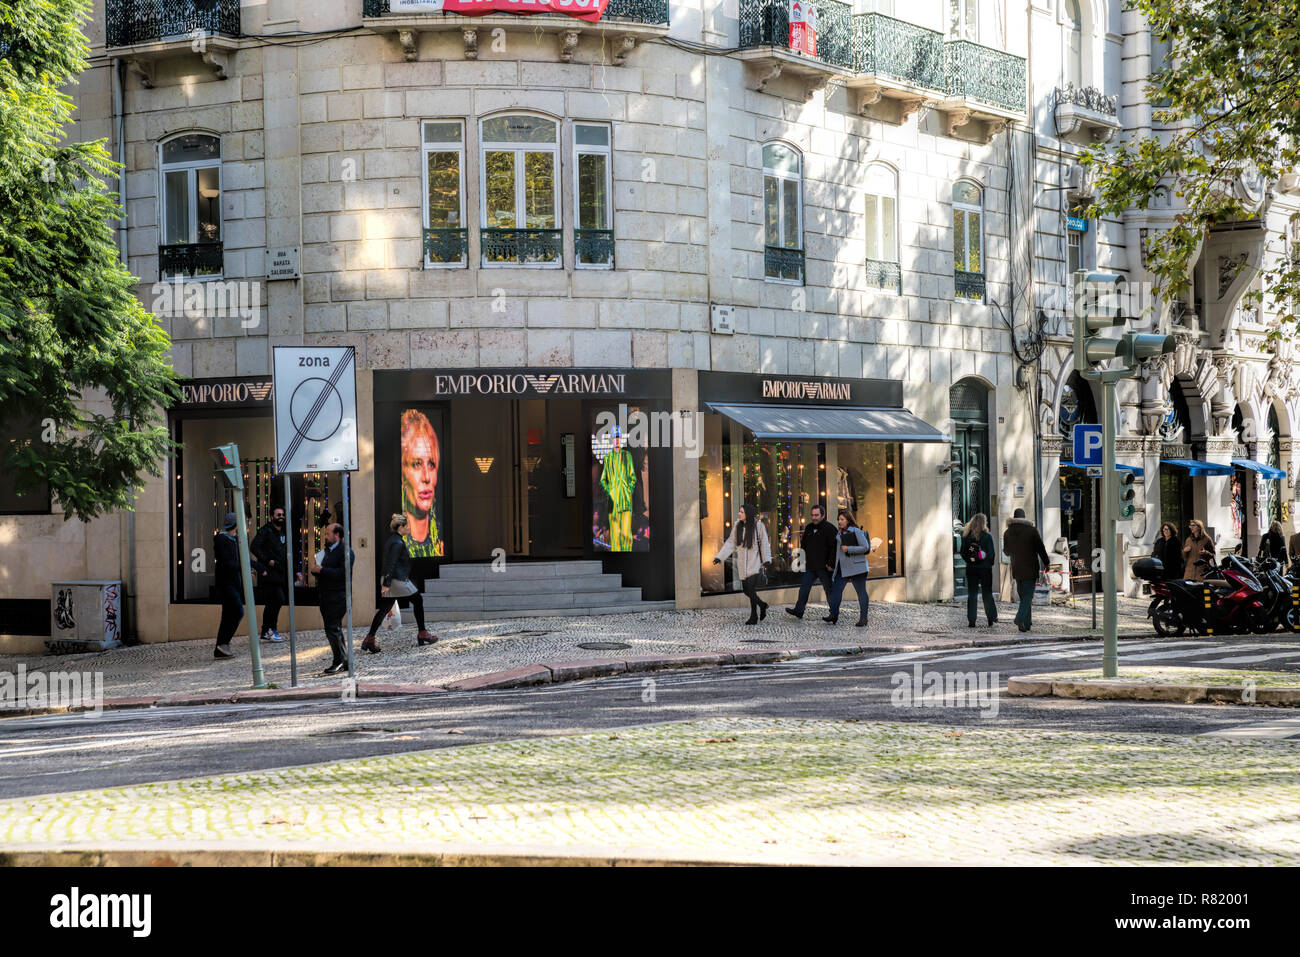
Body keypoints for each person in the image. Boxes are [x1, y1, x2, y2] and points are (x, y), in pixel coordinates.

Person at [362, 514, 436, 653]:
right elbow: (392, 563)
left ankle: (369, 639)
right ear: (401, 527)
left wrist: (385, 582)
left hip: (390, 579)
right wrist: (387, 583)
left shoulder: (392, 540)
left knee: (384, 608)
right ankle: (423, 633)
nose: (409, 528)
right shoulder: (398, 543)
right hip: (396, 580)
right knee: (418, 600)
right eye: (407, 526)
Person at [712, 503, 772, 625]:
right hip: (742, 564)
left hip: (754, 563)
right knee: (746, 591)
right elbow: (730, 543)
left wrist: (766, 560)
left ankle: (754, 616)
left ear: (748, 514)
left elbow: (764, 543)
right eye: (739, 511)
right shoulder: (737, 526)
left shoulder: (758, 526)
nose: (739, 514)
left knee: (750, 589)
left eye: (741, 512)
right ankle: (762, 606)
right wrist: (720, 557)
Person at [309, 523, 354, 676]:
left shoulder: (346, 552)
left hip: (338, 596)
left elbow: (343, 573)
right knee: (334, 629)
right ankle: (344, 660)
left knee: (333, 629)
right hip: (325, 595)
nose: (325, 536)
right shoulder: (326, 551)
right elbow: (323, 570)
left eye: (328, 533)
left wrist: (322, 570)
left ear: (337, 535)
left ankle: (339, 661)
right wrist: (316, 570)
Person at [400, 409, 444, 558]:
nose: (426, 477)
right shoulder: (399, 543)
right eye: (416, 464)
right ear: (402, 475)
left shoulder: (440, 544)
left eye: (431, 464)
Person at [250, 506, 295, 643]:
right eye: (278, 514)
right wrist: (267, 560)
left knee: (273, 602)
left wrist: (295, 570)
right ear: (271, 516)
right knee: (277, 599)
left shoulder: (284, 532)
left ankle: (266, 631)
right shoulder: (265, 531)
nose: (281, 516)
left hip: (280, 572)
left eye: (282, 514)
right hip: (268, 572)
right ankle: (271, 629)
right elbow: (254, 547)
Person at [1002, 508, 1050, 633]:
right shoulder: (1032, 531)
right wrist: (1047, 562)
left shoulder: (1007, 532)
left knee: (1024, 596)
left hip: (1017, 568)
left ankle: (1026, 624)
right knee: (1028, 596)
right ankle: (1019, 618)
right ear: (1024, 518)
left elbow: (1006, 552)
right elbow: (1041, 548)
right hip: (1030, 568)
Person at [786, 504, 837, 619]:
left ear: (822, 515)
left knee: (828, 590)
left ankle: (834, 613)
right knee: (804, 588)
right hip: (810, 565)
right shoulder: (809, 528)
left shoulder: (830, 529)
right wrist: (801, 560)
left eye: (816, 515)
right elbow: (804, 545)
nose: (814, 517)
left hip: (824, 567)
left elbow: (834, 548)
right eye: (812, 515)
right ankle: (799, 610)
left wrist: (831, 564)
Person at [826, 509, 870, 627]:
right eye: (838, 520)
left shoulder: (856, 531)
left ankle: (863, 618)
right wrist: (833, 566)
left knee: (861, 592)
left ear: (848, 520)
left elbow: (865, 547)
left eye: (842, 519)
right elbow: (837, 553)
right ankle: (833, 614)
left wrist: (849, 549)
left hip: (857, 567)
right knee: (836, 590)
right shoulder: (839, 534)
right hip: (843, 567)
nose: (839, 522)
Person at [213, 512, 243, 660]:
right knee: (238, 611)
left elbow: (242, 559)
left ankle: (221, 646)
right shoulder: (221, 539)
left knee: (228, 615)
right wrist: (241, 568)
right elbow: (227, 561)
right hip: (226, 583)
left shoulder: (235, 539)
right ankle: (223, 643)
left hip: (234, 582)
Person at [601, 427, 636, 552]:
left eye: (619, 437)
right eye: (615, 437)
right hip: (613, 502)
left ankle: (628, 558)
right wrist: (609, 491)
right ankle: (617, 557)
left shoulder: (628, 456)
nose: (617, 440)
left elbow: (633, 477)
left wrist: (628, 491)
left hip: (626, 501)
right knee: (615, 534)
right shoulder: (608, 458)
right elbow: (603, 479)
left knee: (626, 533)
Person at [961, 513, 998, 627]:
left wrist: (970, 561)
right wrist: (988, 563)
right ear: (984, 523)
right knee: (987, 593)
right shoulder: (987, 537)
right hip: (985, 569)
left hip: (971, 569)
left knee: (972, 594)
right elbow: (991, 554)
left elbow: (963, 552)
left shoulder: (967, 536)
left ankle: (972, 620)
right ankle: (991, 618)